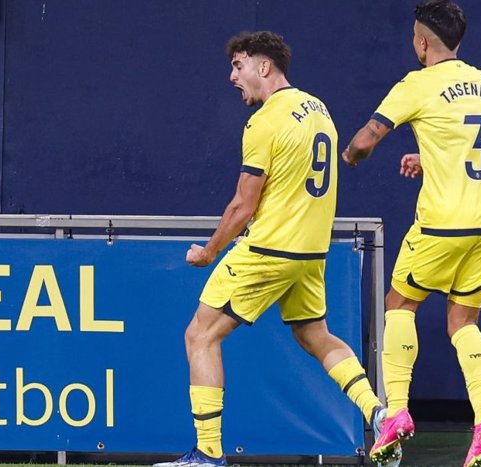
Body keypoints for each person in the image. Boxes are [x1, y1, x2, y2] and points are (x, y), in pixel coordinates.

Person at [154, 31, 397, 467]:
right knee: (314, 335)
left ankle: (208, 454)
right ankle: (378, 413)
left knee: (200, 336)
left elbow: (242, 205)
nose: (232, 76)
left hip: (269, 249)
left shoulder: (265, 121)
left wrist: (209, 252)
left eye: (238, 65)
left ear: (263, 66)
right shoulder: (319, 109)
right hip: (310, 255)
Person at [342, 1, 481, 466]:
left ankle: (395, 412)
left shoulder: (416, 84)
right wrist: (429, 157)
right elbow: (480, 140)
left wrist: (351, 156)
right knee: (464, 323)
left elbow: (364, 140)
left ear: (421, 42)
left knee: (400, 305)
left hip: (442, 224)